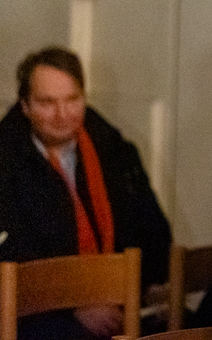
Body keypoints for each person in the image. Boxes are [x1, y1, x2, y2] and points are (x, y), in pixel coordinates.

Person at [0, 46, 172, 340]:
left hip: (124, 301)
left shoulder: (115, 152)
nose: (62, 114)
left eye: (72, 100)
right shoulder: (6, 164)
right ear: (24, 106)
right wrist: (74, 306)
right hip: (36, 315)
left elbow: (155, 235)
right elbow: (13, 260)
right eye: (46, 102)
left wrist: (135, 291)